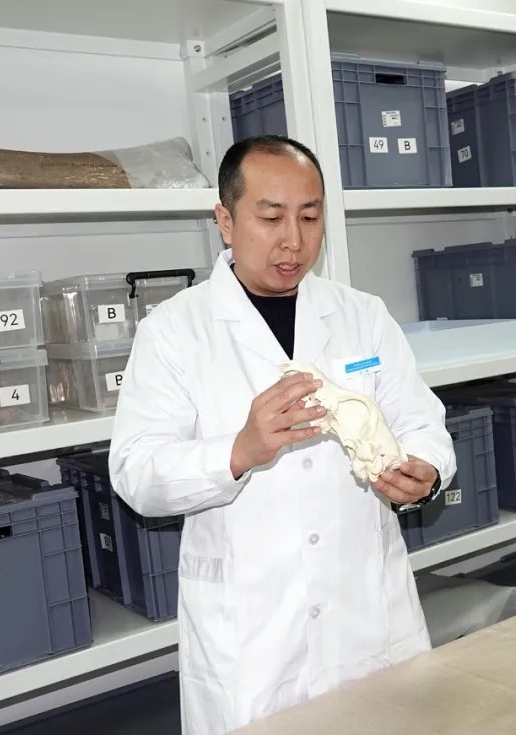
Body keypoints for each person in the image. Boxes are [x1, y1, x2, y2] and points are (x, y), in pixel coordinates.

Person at [107, 135, 457, 735]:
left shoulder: (362, 315)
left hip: (366, 615)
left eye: (310, 217)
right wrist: (238, 451)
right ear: (225, 221)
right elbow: (136, 473)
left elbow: (422, 421)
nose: (293, 239)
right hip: (252, 636)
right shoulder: (174, 331)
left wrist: (424, 470)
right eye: (270, 217)